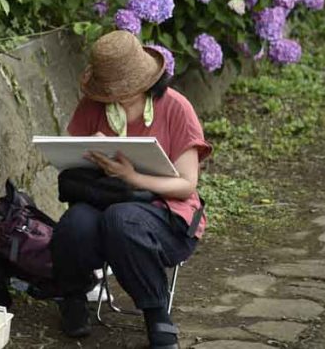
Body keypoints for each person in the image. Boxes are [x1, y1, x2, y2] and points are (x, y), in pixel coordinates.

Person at [50, 30, 212, 349]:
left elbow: (186, 184)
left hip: (166, 217)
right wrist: (90, 152)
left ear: (147, 81)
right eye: (109, 91)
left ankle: (156, 313)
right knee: (74, 225)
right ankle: (73, 297)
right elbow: (72, 163)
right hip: (106, 200)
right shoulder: (92, 106)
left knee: (121, 219)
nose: (117, 97)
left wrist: (133, 177)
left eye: (126, 90)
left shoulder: (176, 108)